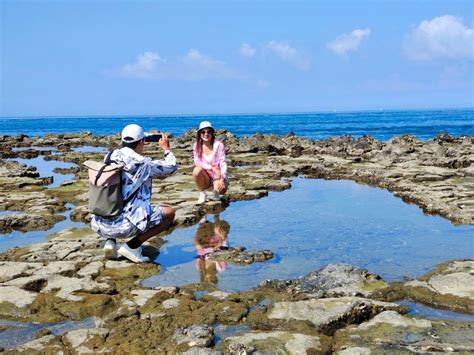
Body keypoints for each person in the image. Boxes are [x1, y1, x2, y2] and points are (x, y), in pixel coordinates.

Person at [91, 123, 177, 263]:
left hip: (100, 224)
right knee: (169, 213)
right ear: (142, 142)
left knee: (113, 195)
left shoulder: (110, 156)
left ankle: (110, 242)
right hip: (125, 227)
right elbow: (171, 167)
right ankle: (132, 246)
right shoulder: (143, 163)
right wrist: (166, 149)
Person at [192, 121, 228, 204]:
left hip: (218, 176)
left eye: (209, 131)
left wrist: (222, 178)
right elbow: (197, 161)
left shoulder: (219, 145)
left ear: (212, 133)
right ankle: (202, 193)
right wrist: (212, 168)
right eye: (203, 132)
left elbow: (223, 163)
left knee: (220, 191)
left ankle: (215, 192)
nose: (206, 134)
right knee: (196, 171)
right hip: (205, 177)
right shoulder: (196, 145)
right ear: (200, 134)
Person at [194, 216, 230, 284]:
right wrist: (222, 239)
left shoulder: (200, 267)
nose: (211, 277)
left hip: (206, 246)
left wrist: (210, 249)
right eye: (214, 279)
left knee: (202, 234)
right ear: (216, 277)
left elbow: (200, 252)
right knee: (220, 232)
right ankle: (217, 219)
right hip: (220, 246)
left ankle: (203, 220)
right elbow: (225, 251)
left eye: (209, 279)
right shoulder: (221, 268)